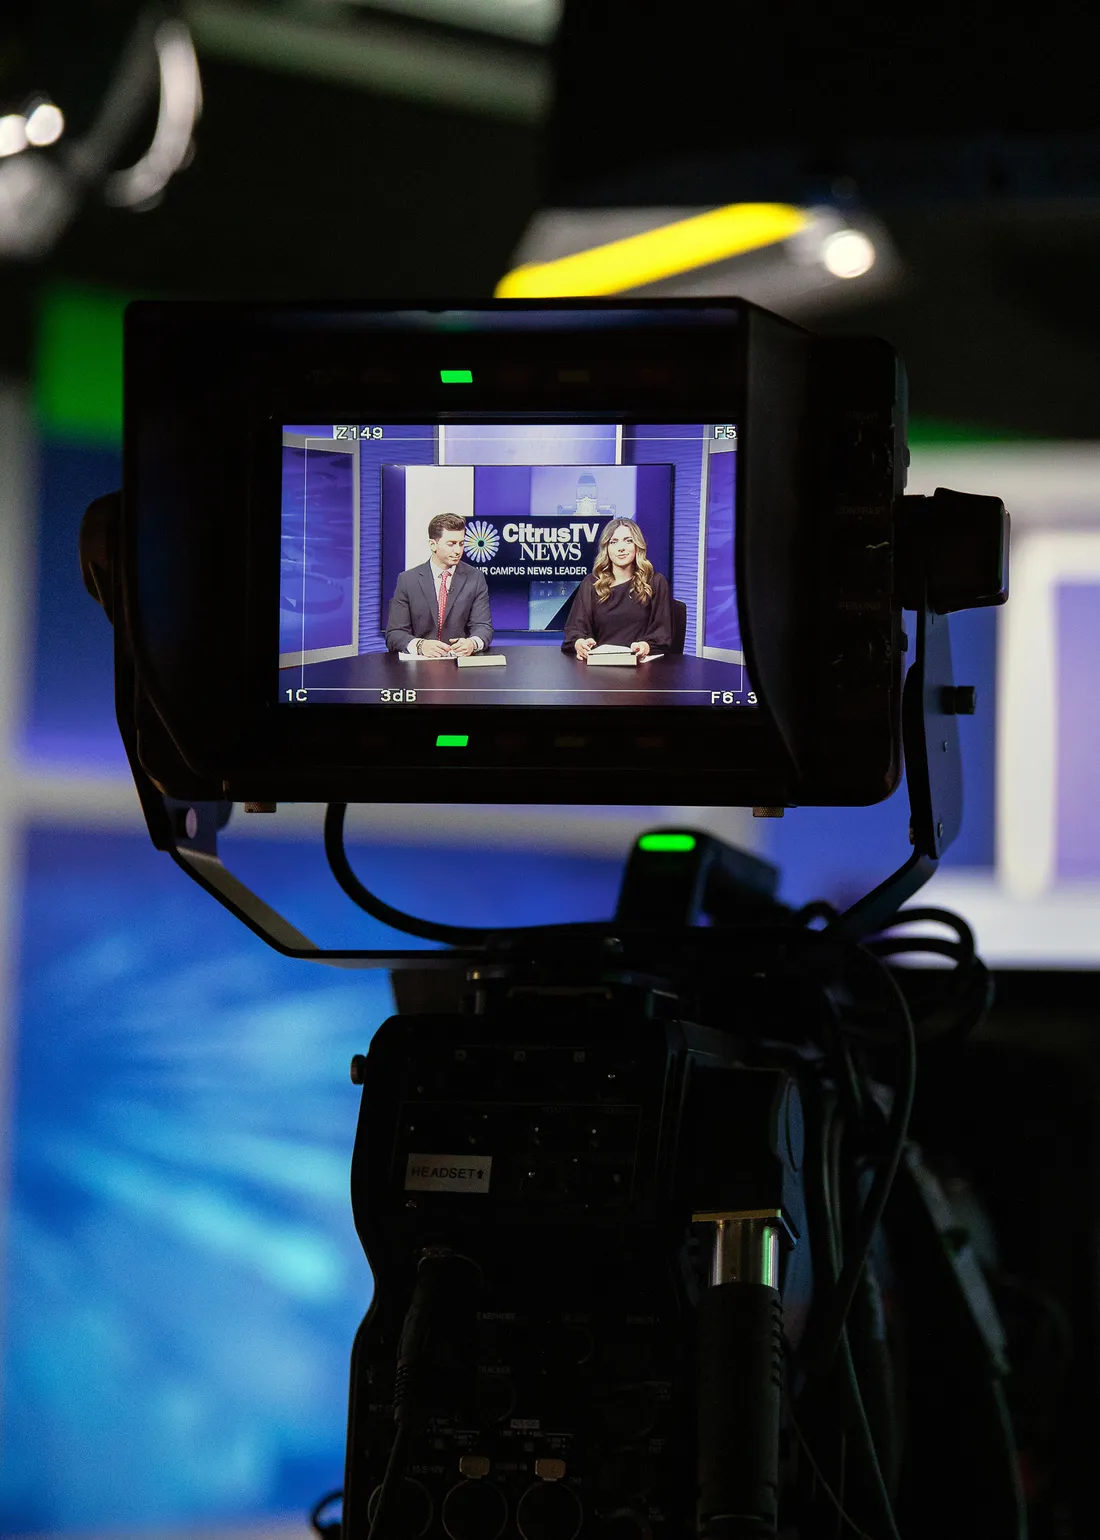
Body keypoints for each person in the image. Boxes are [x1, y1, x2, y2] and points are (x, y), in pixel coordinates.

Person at [561, 517, 672, 659]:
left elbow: (662, 633)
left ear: (638, 545)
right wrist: (579, 643)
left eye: (628, 540)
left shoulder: (655, 582)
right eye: (614, 542)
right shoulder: (591, 583)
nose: (621, 548)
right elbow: (575, 629)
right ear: (606, 548)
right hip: (599, 668)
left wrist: (645, 646)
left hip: (642, 669)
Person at [385, 513, 493, 656]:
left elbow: (483, 626)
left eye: (461, 544)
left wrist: (472, 643)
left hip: (460, 667)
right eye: (451, 544)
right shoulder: (407, 580)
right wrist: (420, 646)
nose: (458, 551)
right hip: (418, 670)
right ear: (433, 545)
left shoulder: (475, 578)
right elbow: (394, 634)